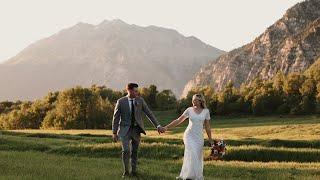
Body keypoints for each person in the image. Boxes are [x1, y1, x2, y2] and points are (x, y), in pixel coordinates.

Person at [112, 83, 166, 178]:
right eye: (135, 91)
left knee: (135, 151)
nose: (137, 92)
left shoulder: (140, 100)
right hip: (125, 130)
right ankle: (126, 171)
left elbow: (149, 113)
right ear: (129, 90)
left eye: (137, 90)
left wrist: (157, 125)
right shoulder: (121, 102)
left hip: (136, 130)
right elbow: (116, 118)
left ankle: (134, 171)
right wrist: (114, 132)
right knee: (126, 150)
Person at [164, 94, 213, 180]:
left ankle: (193, 175)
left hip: (199, 138)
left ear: (201, 101)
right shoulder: (189, 110)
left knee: (197, 156)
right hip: (189, 136)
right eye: (193, 100)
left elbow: (207, 127)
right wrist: (166, 127)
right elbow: (179, 120)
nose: (194, 101)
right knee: (192, 153)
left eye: (196, 100)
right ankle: (190, 176)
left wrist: (210, 139)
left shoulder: (206, 111)